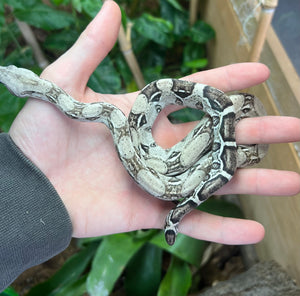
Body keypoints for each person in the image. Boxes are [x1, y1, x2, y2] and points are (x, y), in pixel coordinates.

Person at [1, 0, 300, 291]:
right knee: (226, 119)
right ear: (31, 86)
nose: (8, 73)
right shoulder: (105, 114)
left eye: (11, 72)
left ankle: (224, 150)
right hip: (168, 174)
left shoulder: (105, 113)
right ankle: (224, 151)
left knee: (223, 113)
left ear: (33, 89)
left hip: (168, 165)